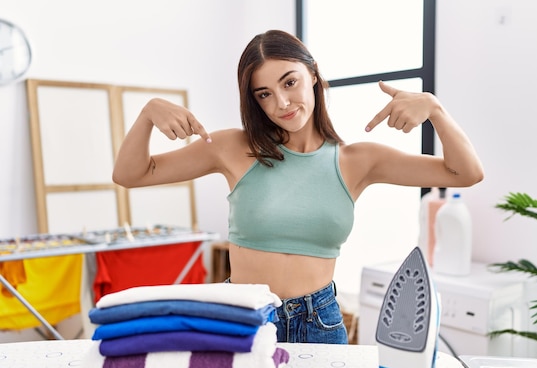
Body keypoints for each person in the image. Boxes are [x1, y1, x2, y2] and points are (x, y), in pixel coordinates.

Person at [112, 29, 484, 344]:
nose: (281, 103)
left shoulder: (358, 160)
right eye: (264, 94)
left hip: (319, 322)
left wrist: (435, 109)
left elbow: (464, 173)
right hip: (244, 315)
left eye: (289, 82)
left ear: (313, 75)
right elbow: (131, 174)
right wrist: (148, 114)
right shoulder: (233, 148)